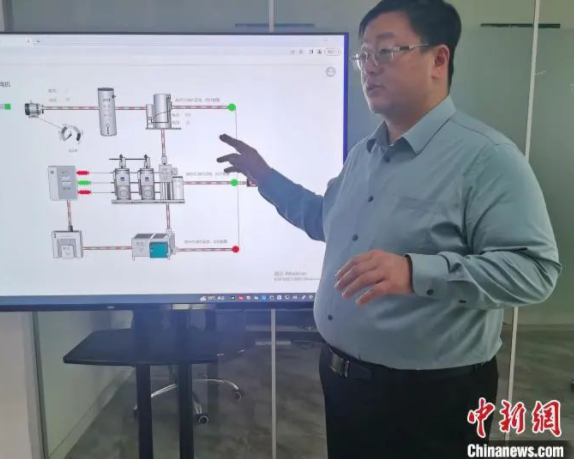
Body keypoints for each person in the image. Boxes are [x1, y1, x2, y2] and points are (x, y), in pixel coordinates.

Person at [217, 0, 562, 457]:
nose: (369, 67)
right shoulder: (365, 154)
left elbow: (535, 271)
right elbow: (324, 221)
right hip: (343, 382)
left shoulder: (487, 159)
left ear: (438, 59)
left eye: (386, 51)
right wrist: (266, 178)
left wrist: (416, 272)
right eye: (364, 55)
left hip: (430, 397)